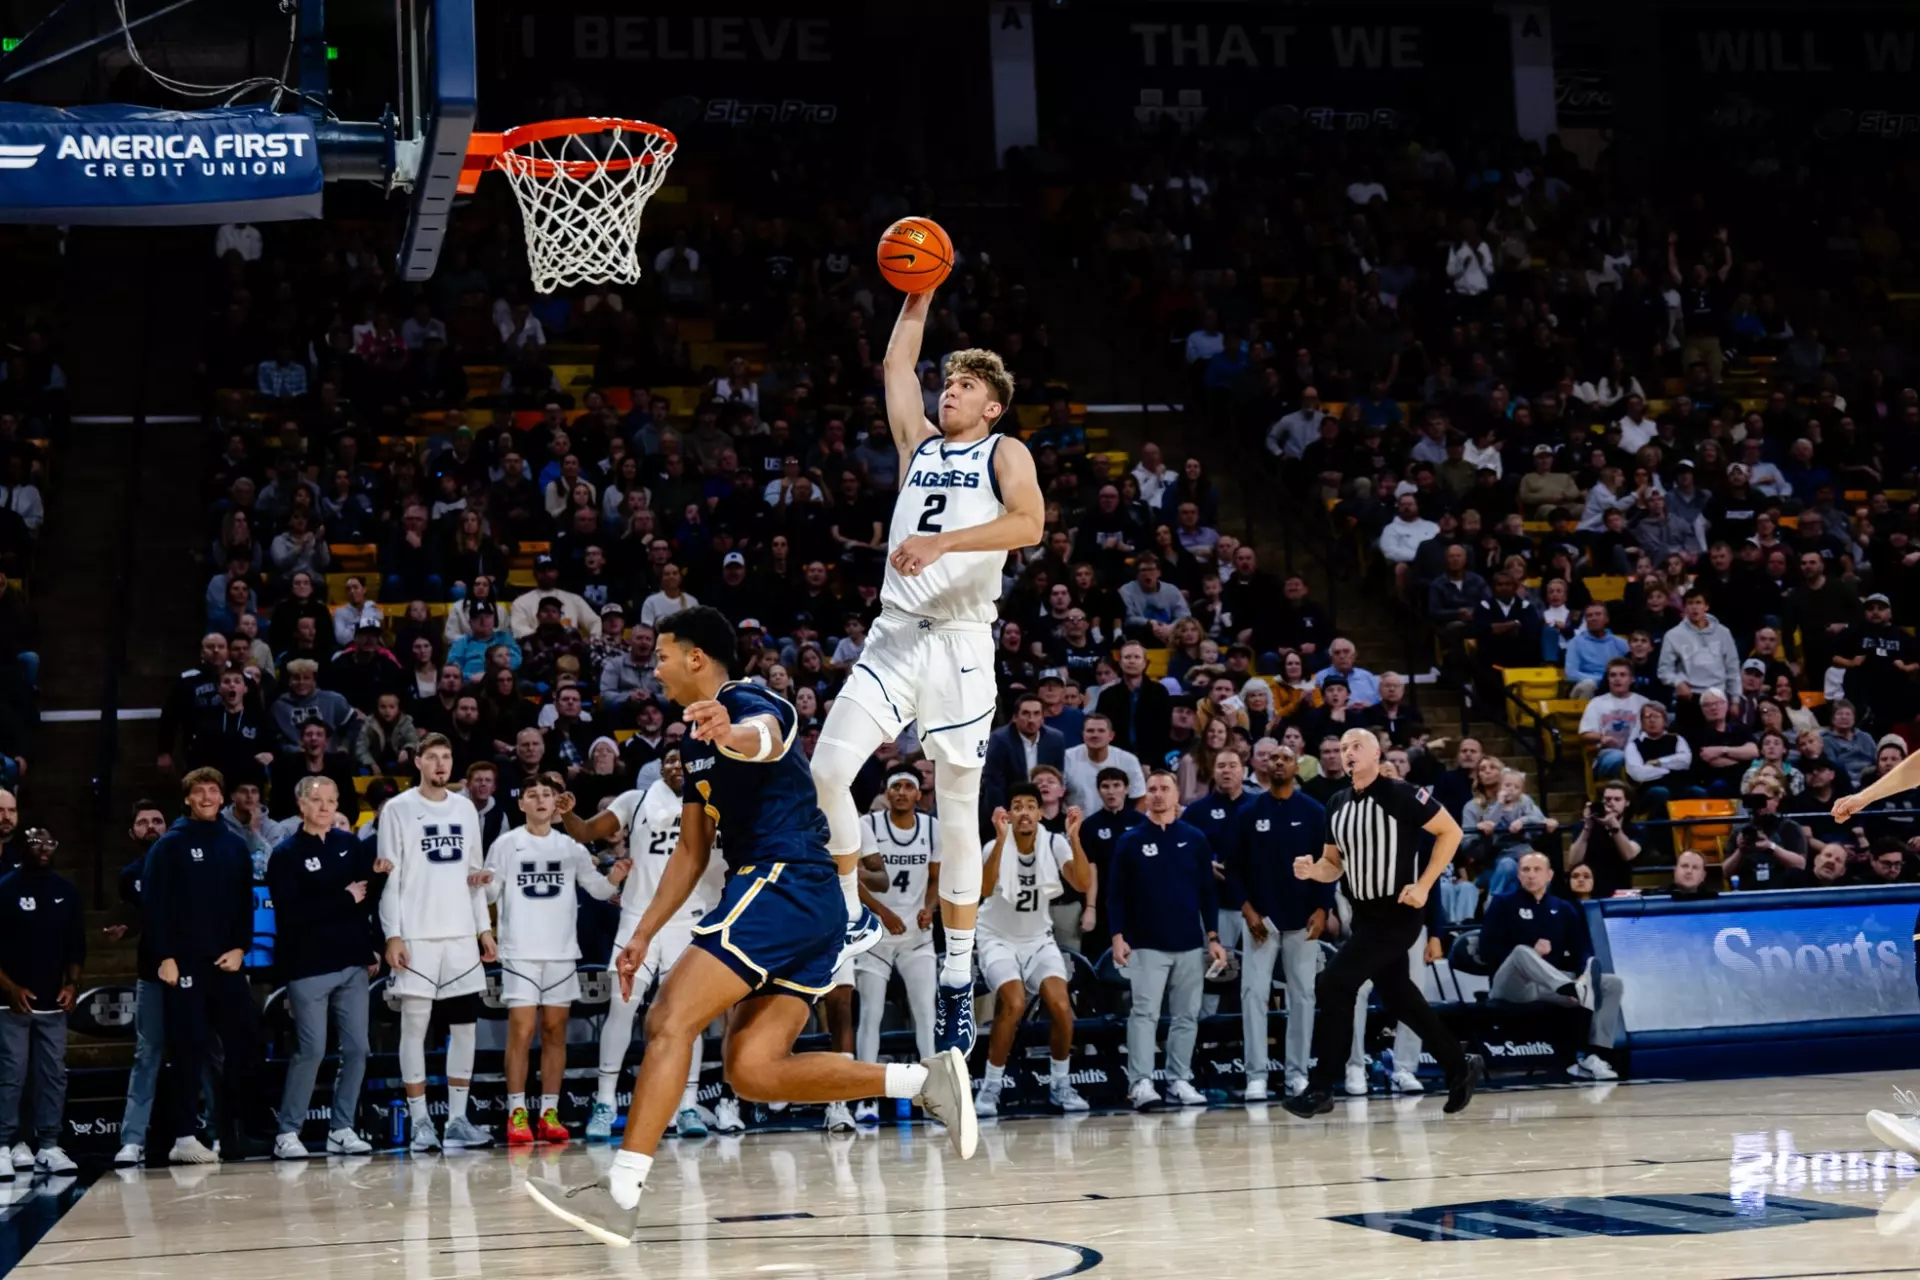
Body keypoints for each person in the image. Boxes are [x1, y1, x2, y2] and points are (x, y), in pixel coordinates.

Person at [526, 606, 976, 1249]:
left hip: (783, 883)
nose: (653, 667)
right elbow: (690, 852)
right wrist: (646, 932)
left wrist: (731, 733)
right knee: (752, 1070)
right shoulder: (687, 746)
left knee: (668, 1019)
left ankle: (619, 1193)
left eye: (661, 654)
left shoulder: (752, 701)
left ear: (696, 658)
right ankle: (922, 1081)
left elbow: (765, 736)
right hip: (793, 903)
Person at [809, 290, 1045, 1065]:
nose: (950, 390)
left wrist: (945, 545)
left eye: (967, 385)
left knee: (955, 811)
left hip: (963, 645)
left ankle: (952, 981)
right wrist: (923, 290)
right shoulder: (918, 448)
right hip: (894, 639)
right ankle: (850, 911)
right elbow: (895, 363)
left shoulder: (1003, 453)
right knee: (827, 772)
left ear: (994, 406)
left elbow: (1029, 526)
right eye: (948, 382)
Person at [1282, 729, 1483, 1118]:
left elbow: (1451, 832)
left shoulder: (1401, 793)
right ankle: (1460, 1064)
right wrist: (1311, 871)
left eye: (1356, 746)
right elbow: (1333, 865)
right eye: (1342, 748)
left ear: (1376, 753)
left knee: (1335, 982)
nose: (1347, 753)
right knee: (1398, 995)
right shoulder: (1337, 803)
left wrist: (1424, 885)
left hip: (1398, 911)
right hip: (1364, 914)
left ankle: (1322, 1086)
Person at [560, 745, 730, 1141]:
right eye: (668, 760)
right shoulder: (635, 801)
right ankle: (605, 1103)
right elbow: (586, 832)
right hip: (637, 922)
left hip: (689, 922)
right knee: (621, 1010)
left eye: (682, 760)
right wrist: (566, 813)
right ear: (658, 769)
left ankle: (687, 1107)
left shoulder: (712, 802)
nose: (675, 765)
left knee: (686, 1019)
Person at [483, 773, 625, 1145]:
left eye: (548, 794)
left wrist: (614, 877)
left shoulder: (571, 847)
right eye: (533, 794)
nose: (541, 800)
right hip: (520, 953)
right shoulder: (505, 845)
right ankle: (517, 1112)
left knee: (554, 1032)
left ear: (557, 802)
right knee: (522, 1031)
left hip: (562, 953)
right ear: (522, 803)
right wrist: (480, 882)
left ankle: (550, 1112)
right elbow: (490, 894)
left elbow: (596, 888)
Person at [377, 733, 497, 1152]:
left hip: (461, 935)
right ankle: (421, 1122)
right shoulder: (397, 809)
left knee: (465, 1029)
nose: (441, 764)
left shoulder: (465, 808)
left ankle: (458, 1119)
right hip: (418, 936)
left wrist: (483, 928)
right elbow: (390, 877)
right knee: (415, 1026)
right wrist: (392, 933)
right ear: (419, 763)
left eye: (447, 757)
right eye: (433, 758)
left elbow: (474, 873)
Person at [144, 768, 266, 1163]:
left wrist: (242, 949)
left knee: (244, 1042)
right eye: (200, 792)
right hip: (184, 964)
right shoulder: (170, 845)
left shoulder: (233, 844)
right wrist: (164, 956)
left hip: (226, 963)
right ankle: (182, 1136)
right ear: (187, 799)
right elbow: (155, 905)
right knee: (188, 1048)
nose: (208, 797)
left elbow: (245, 902)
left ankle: (232, 1134)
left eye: (214, 790)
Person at [265, 776, 378, 1159]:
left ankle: (342, 1128)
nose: (326, 807)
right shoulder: (285, 853)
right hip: (309, 965)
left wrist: (371, 949)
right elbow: (292, 913)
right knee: (311, 1049)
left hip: (352, 964)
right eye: (317, 800)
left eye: (332, 800)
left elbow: (367, 900)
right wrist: (342, 898)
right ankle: (288, 1133)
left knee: (359, 1048)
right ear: (301, 804)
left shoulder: (350, 844)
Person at [1108, 770, 1230, 1109]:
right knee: (1144, 1014)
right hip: (1146, 944)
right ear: (1145, 795)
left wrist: (1214, 937)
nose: (1158, 795)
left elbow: (1208, 891)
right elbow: (1115, 894)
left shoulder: (1194, 838)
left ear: (1177, 796)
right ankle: (1141, 1082)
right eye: (1152, 789)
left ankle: (1179, 1079)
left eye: (1164, 789)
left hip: (1190, 943)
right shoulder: (1130, 840)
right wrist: (1118, 936)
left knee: (1186, 1016)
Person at [1225, 744, 1341, 1100]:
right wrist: (1247, 911)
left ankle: (1297, 1073)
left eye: (1286, 758)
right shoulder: (1247, 811)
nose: (1279, 762)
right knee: (1253, 995)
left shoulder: (1315, 811)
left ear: (1297, 766)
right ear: (1263, 764)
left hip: (1304, 919)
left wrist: (1323, 909)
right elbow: (1233, 868)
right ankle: (1256, 1076)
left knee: (1303, 996)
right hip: (1261, 919)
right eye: (1273, 757)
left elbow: (1331, 864)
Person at [973, 785, 1093, 1117]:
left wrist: (1075, 839)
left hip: (1038, 939)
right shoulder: (992, 846)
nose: (1024, 812)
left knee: (1061, 1005)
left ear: (1041, 813)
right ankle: (991, 1087)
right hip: (996, 937)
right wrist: (999, 841)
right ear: (1008, 815)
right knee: (1012, 1001)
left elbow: (1082, 883)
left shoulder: (1054, 843)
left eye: (1030, 806)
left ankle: (1060, 1084)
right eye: (1017, 806)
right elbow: (983, 889)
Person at [1478, 852, 1623, 1081]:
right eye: (1526, 870)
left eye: (1537, 870)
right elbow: (1485, 950)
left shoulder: (1563, 909)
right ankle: (1571, 988)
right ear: (1518, 875)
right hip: (1512, 986)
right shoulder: (1503, 904)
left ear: (1549, 875)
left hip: (1549, 986)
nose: (1531, 875)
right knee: (1522, 952)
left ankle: (1594, 1056)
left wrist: (1581, 973)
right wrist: (1533, 953)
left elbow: (1581, 950)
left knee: (1612, 984)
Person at [850, 766, 942, 1123]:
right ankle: (867, 1097)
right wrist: (884, 912)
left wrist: (928, 909)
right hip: (875, 934)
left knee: (926, 1014)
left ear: (919, 794)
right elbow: (853, 881)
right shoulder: (868, 826)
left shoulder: (933, 828)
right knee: (870, 1014)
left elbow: (935, 878)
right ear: (886, 793)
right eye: (895, 787)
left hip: (916, 938)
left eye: (909, 786)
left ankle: (932, 1095)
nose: (902, 792)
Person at [0, 828, 82, 1179]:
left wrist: (73, 984)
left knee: (53, 1075)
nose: (44, 849)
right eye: (36, 843)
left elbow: (76, 943)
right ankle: (4, 1144)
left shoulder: (66, 891)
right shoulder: (5, 887)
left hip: (52, 1000)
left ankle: (48, 1144)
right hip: (10, 1003)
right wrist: (9, 987)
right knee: (12, 1074)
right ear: (23, 847)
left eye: (50, 843)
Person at [109, 800, 176, 1168]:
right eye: (143, 822)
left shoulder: (186, 864)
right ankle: (132, 1140)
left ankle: (210, 1130)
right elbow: (145, 916)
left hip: (194, 973)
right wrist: (130, 926)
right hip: (151, 972)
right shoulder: (129, 875)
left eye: (157, 820)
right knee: (146, 1054)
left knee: (204, 1051)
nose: (151, 827)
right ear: (132, 832)